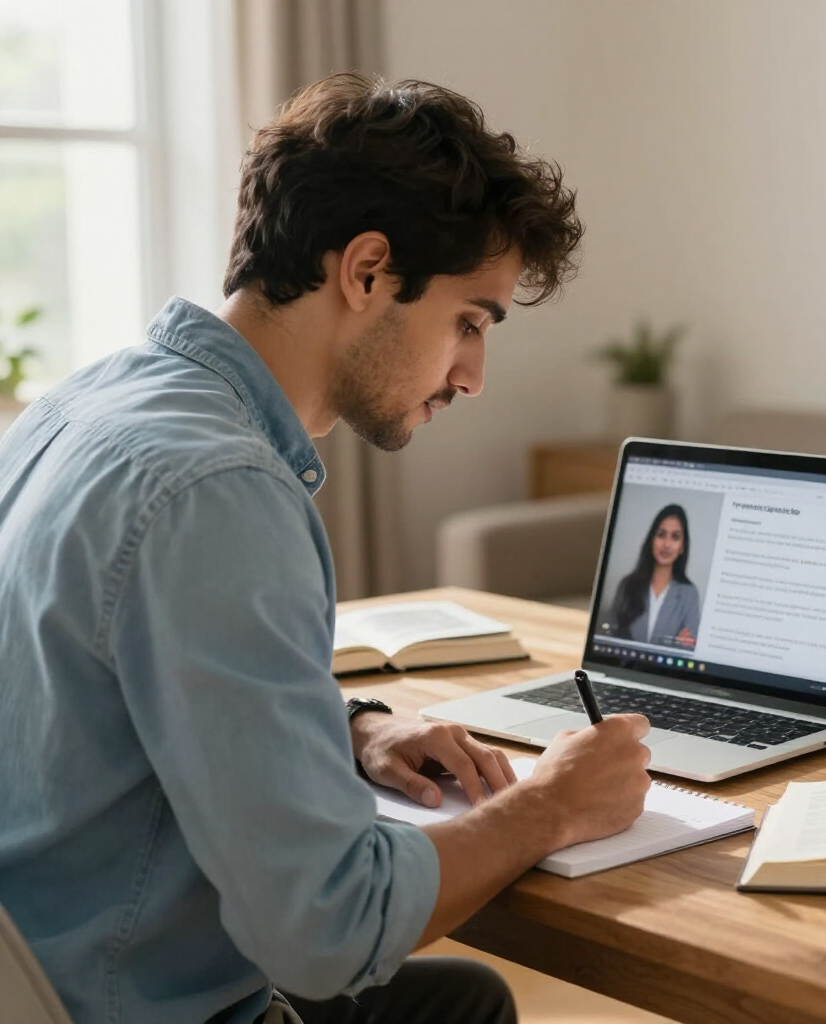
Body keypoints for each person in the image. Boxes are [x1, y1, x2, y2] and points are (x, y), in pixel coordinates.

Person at [0, 74, 653, 1024]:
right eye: (469, 322)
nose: (473, 376)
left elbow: (106, 689)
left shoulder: (85, 404)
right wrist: (548, 805)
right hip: (120, 1001)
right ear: (366, 270)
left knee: (462, 998)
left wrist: (348, 730)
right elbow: (332, 926)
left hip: (41, 967)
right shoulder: (220, 491)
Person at [608, 504, 701, 649]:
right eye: (661, 535)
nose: (666, 544)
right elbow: (611, 638)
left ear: (683, 546)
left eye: (675, 537)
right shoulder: (628, 586)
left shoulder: (689, 594)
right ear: (652, 540)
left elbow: (687, 647)